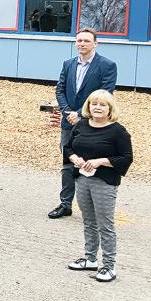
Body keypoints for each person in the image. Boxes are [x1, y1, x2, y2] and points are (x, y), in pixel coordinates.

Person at [64, 90, 133, 282]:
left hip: (104, 182)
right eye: (94, 104)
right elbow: (68, 147)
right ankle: (90, 258)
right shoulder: (81, 125)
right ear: (88, 106)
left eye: (102, 105)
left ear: (110, 108)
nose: (97, 107)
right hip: (82, 179)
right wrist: (75, 158)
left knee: (105, 224)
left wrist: (101, 161)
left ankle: (109, 266)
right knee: (89, 221)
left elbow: (126, 158)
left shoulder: (117, 130)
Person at [50, 28, 118, 219]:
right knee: (67, 163)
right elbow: (60, 90)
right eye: (79, 40)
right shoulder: (68, 64)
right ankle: (65, 204)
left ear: (95, 43)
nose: (82, 44)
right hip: (68, 121)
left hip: (93, 123)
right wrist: (67, 112)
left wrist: (80, 114)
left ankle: (93, 207)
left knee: (91, 163)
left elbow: (106, 93)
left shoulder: (107, 65)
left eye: (86, 41)